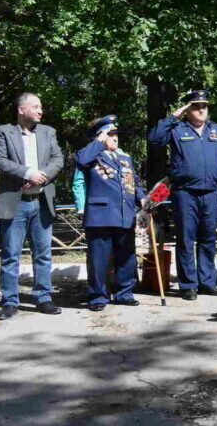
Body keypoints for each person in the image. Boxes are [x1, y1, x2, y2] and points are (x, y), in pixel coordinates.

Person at [147, 90, 217, 301]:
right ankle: (188, 285)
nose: (202, 109)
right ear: (187, 110)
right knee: (186, 239)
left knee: (208, 238)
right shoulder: (177, 129)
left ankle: (207, 282)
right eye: (196, 106)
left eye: (204, 105)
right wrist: (174, 116)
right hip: (185, 192)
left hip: (212, 191)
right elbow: (154, 138)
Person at [0, 92, 64, 320]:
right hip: (15, 203)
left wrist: (42, 175)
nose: (40, 110)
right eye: (35, 106)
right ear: (21, 109)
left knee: (43, 254)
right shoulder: (2, 132)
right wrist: (27, 172)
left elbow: (58, 159)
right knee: (11, 254)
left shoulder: (48, 132)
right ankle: (10, 302)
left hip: (42, 201)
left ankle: (43, 298)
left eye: (41, 106)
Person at [76, 116, 147, 311]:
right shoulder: (92, 156)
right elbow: (80, 159)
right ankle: (98, 296)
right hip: (101, 216)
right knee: (98, 260)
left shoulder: (125, 158)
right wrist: (99, 141)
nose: (115, 137)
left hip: (125, 214)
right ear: (101, 135)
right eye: (111, 134)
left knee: (126, 257)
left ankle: (124, 293)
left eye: (116, 134)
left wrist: (142, 198)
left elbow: (135, 182)